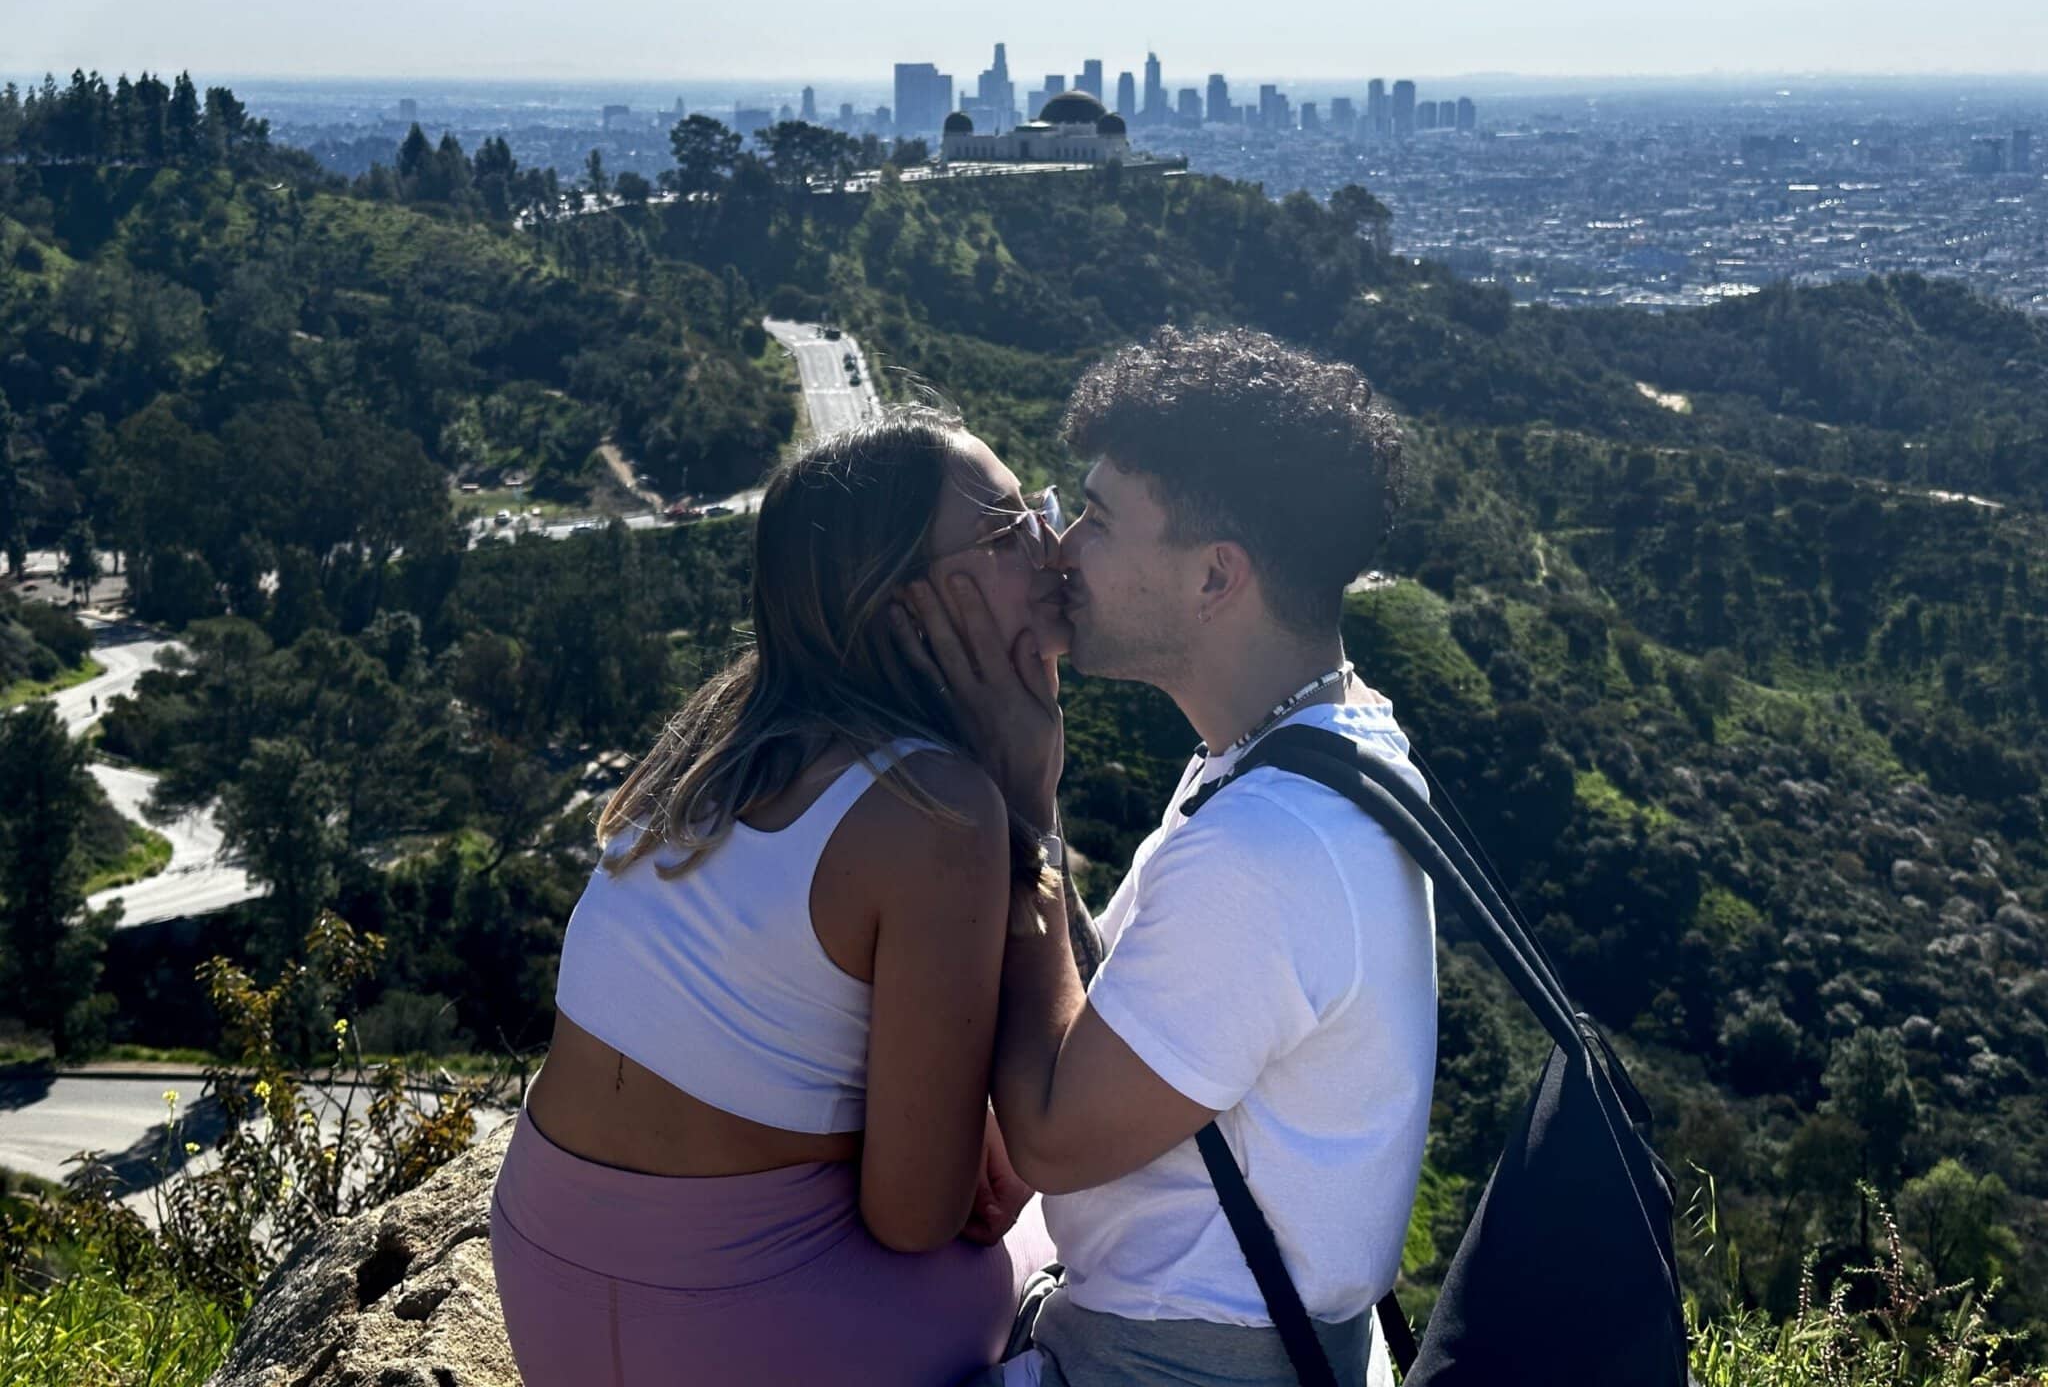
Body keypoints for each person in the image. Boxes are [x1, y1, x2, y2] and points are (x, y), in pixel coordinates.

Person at [490, 404, 1074, 1386]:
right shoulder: (936, 810)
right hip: (744, 1332)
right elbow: (924, 1216)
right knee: (1092, 1234)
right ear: (904, 605)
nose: (1053, 545)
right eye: (1010, 528)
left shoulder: (723, 732)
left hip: (548, 1283)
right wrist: (1031, 807)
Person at [900, 328, 1434, 1387]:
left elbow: (1050, 1137)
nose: (1058, 550)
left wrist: (1018, 798)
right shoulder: (1313, 748)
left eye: (1095, 520)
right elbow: (1123, 1010)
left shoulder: (1271, 846)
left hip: (1173, 1363)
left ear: (1213, 577)